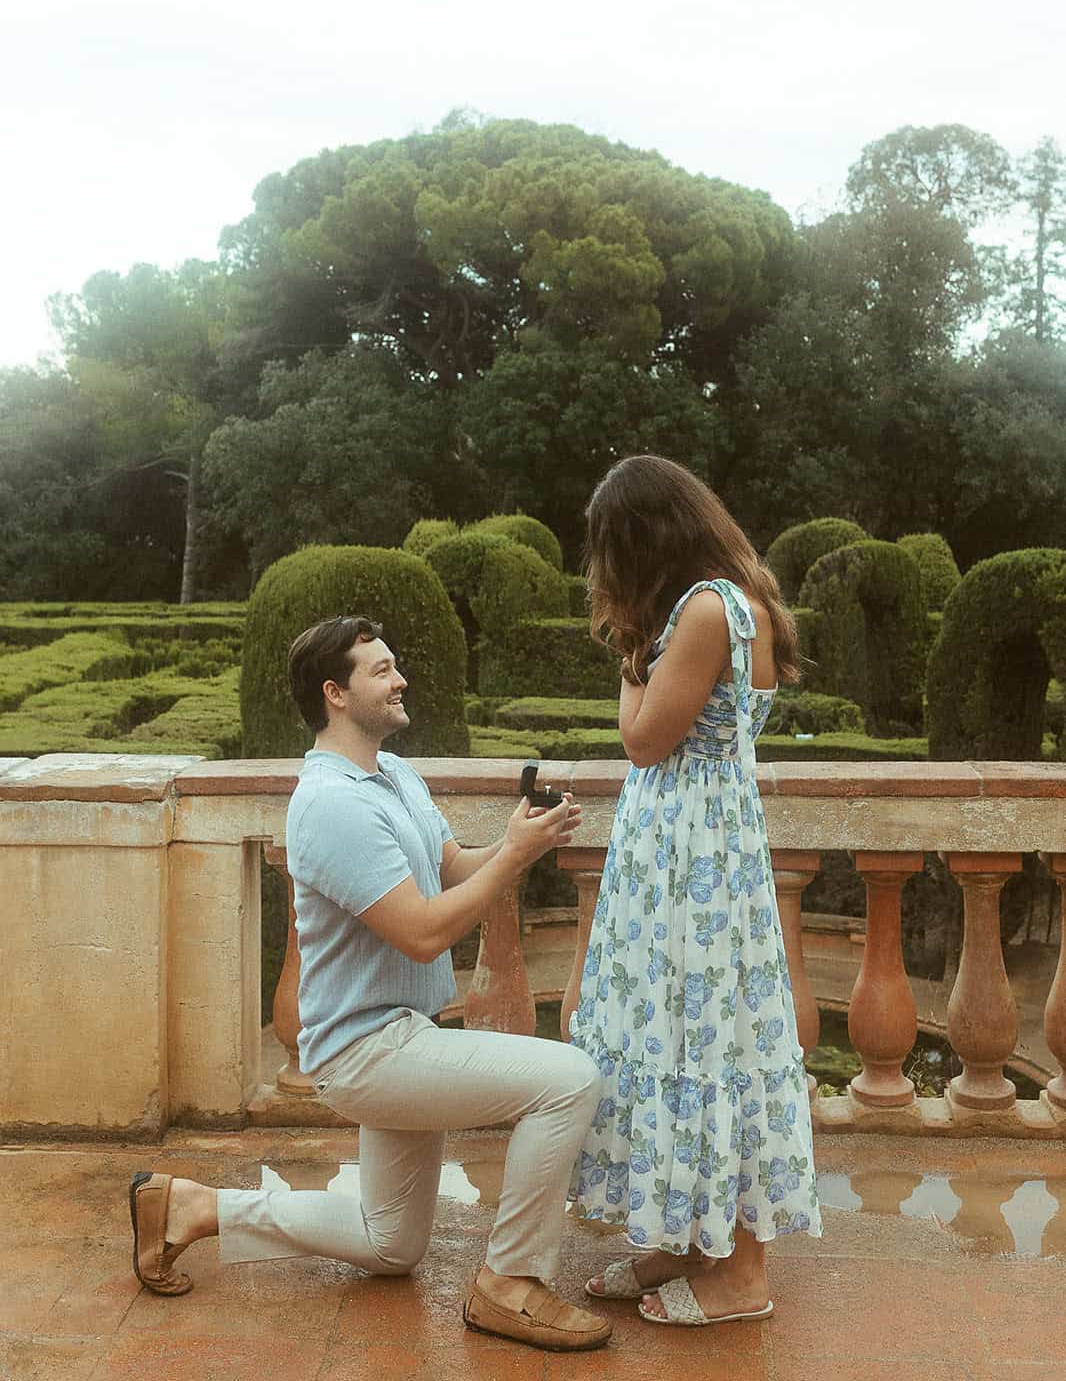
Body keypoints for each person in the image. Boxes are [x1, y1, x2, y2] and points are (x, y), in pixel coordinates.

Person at [129, 613, 611, 1354]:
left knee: (390, 1246)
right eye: (381, 670)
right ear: (336, 693)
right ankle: (511, 1283)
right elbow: (422, 930)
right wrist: (514, 859)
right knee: (570, 1080)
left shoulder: (393, 776)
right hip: (367, 1050)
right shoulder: (333, 804)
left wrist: (520, 838)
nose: (400, 679)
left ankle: (190, 1208)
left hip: (400, 1035)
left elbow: (450, 868)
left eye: (395, 665)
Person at [570, 456, 822, 1327]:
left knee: (713, 1046)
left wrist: (631, 652)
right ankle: (681, 1241)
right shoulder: (719, 600)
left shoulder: (709, 609)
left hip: (694, 858)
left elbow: (642, 741)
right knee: (679, 1031)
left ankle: (742, 1276)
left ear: (645, 540)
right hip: (687, 850)